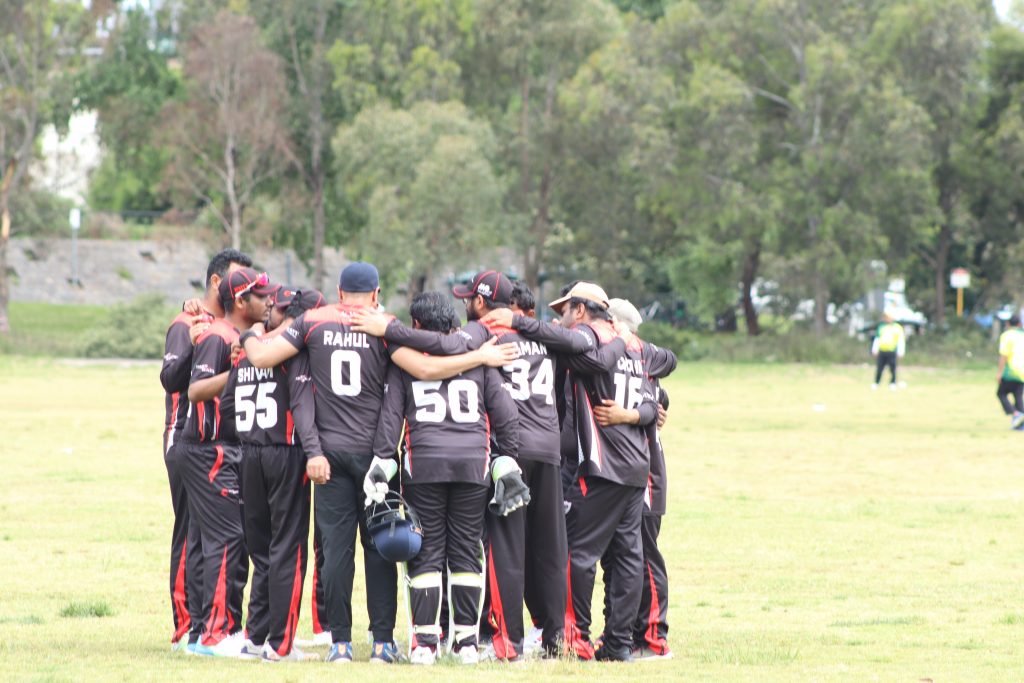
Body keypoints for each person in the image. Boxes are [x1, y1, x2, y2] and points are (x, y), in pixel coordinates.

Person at [238, 262, 519, 664]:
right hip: (376, 457)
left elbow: (263, 359)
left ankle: (340, 644)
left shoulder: (313, 323)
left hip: (328, 456)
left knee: (334, 552)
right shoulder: (382, 325)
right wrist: (478, 357)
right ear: (375, 293)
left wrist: (250, 334)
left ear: (338, 290)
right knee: (382, 547)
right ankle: (384, 643)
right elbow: (426, 367)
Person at [369, 292, 523, 666]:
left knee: (426, 551)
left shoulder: (404, 362)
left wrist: (380, 464)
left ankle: (425, 642)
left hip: (425, 468)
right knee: (468, 550)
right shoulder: (481, 360)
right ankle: (467, 640)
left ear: (417, 327)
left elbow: (390, 423)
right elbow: (507, 420)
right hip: (473, 466)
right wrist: (506, 460)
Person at [159, 248, 251, 652]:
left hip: (214, 440)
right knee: (190, 531)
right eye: (237, 280)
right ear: (218, 283)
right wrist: (197, 344)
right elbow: (170, 378)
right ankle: (187, 626)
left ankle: (202, 626)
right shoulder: (188, 322)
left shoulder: (227, 326)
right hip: (186, 437)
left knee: (206, 533)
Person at [180, 267, 275, 657]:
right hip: (209, 447)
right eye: (261, 295)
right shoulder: (219, 336)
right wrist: (236, 370)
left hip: (224, 449)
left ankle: (204, 631)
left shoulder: (241, 337)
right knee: (227, 539)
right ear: (240, 301)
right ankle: (217, 635)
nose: (269, 301)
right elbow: (196, 389)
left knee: (216, 541)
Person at [227, 288, 325, 661]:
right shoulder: (291, 349)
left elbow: (228, 405)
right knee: (289, 549)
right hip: (285, 453)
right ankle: (280, 645)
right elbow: (301, 404)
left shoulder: (249, 350)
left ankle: (255, 638)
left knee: (263, 551)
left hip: (249, 453)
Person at [602, 298, 677, 660]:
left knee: (645, 557)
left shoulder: (641, 358)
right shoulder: (619, 362)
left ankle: (654, 638)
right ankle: (622, 633)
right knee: (620, 557)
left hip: (645, 474)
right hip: (622, 472)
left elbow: (661, 385)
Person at [997, 314, 1024, 429]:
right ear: (1019, 324)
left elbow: (1004, 355)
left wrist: (999, 372)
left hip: (1011, 370)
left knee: (1001, 393)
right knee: (1018, 397)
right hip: (1022, 371)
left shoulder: (1006, 336)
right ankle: (1020, 425)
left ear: (1008, 324)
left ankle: (1015, 414)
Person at [871, 311, 905, 390]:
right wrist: (874, 349)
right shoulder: (881, 326)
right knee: (879, 368)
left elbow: (900, 340)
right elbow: (877, 339)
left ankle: (892, 383)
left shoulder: (897, 327)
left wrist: (901, 351)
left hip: (892, 351)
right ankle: (876, 383)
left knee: (893, 368)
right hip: (882, 350)